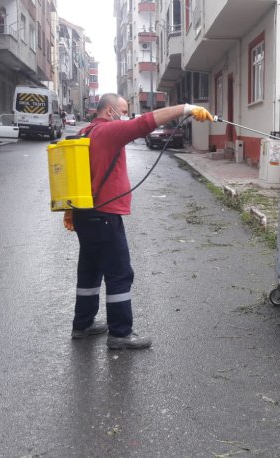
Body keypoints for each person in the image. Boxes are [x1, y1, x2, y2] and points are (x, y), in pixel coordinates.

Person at [63, 93, 213, 350]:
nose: (126, 116)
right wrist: (186, 108)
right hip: (104, 215)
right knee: (119, 272)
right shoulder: (109, 131)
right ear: (110, 111)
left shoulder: (87, 131)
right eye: (123, 111)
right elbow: (146, 122)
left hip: (85, 213)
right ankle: (120, 334)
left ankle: (83, 324)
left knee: (89, 269)